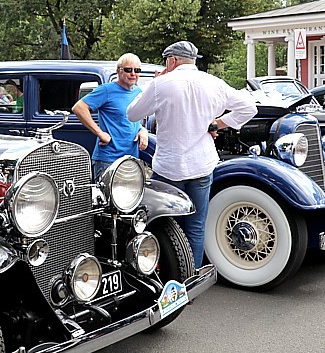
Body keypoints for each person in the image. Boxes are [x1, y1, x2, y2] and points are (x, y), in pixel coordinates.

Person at [126, 40, 257, 268]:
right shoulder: (213, 82)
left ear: (172, 60)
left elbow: (132, 113)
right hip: (201, 164)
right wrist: (218, 123)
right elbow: (249, 107)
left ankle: (167, 279)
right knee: (196, 226)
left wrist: (154, 83)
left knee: (164, 226)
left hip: (169, 167)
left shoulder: (161, 84)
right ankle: (191, 280)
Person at [72, 53, 147, 181]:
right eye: (128, 70)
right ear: (119, 71)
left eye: (137, 70)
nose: (133, 74)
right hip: (108, 160)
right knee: (105, 200)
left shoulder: (138, 92)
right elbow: (79, 108)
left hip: (131, 160)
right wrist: (100, 133)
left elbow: (135, 119)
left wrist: (142, 130)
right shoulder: (106, 90)